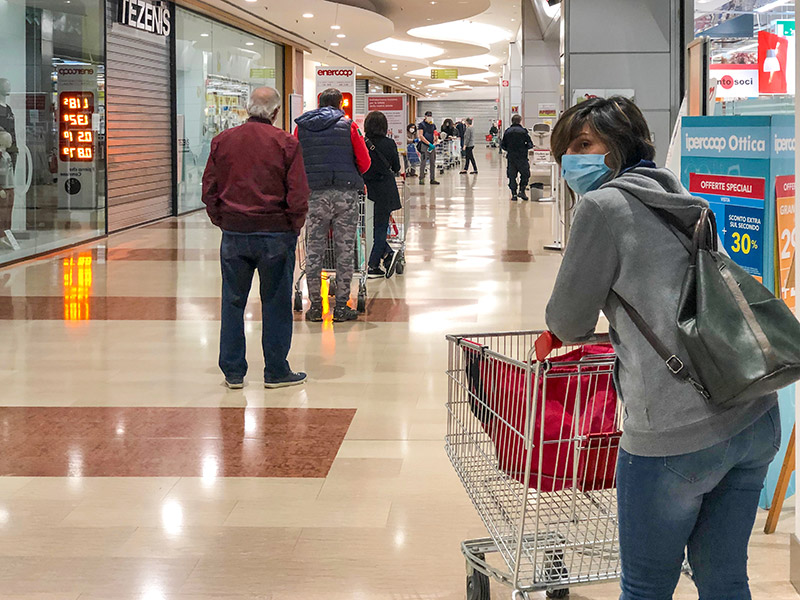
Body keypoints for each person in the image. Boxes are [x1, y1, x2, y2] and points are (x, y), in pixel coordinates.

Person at [545, 96, 779, 600]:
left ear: (619, 147)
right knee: (724, 579)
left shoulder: (601, 207)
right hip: (753, 415)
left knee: (645, 588)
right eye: (565, 150)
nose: (570, 160)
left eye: (583, 145)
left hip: (676, 433)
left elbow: (566, 321)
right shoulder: (684, 197)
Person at [202, 87, 309, 390]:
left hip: (235, 234)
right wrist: (292, 226)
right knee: (276, 302)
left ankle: (233, 372)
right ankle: (275, 370)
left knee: (233, 301)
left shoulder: (222, 141)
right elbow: (298, 194)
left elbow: (209, 188)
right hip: (276, 234)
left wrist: (223, 220)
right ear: (276, 112)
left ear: (247, 108)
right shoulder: (286, 143)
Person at [295, 88, 371, 323]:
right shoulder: (349, 126)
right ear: (340, 104)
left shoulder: (301, 127)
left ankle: (315, 307)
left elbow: (295, 159)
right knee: (344, 251)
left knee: (314, 250)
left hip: (314, 194)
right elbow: (365, 161)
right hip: (344, 195)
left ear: (319, 103)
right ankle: (341, 308)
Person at [363, 111, 402, 279]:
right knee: (380, 228)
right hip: (385, 189)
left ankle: (387, 254)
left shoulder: (362, 143)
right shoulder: (389, 143)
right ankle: (373, 265)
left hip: (366, 189)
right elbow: (396, 167)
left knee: (367, 227)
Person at [500, 114, 533, 201]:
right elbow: (530, 144)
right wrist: (524, 148)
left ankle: (514, 194)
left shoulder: (507, 131)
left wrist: (509, 149)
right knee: (525, 174)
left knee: (512, 176)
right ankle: (522, 191)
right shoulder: (523, 132)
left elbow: (502, 145)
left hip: (511, 157)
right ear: (520, 121)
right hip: (522, 157)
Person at [417, 111, 440, 185]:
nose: (429, 117)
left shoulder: (433, 125)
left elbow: (435, 133)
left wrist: (435, 140)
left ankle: (432, 179)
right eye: (428, 115)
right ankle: (421, 178)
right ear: (425, 116)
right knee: (423, 162)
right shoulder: (421, 125)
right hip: (424, 145)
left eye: (430, 116)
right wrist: (428, 143)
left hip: (432, 146)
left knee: (432, 162)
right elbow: (421, 135)